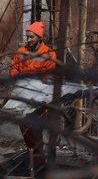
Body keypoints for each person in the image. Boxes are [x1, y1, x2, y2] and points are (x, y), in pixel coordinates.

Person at [9, 21, 57, 172]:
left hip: (39, 99)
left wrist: (31, 78)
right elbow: (13, 70)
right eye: (27, 37)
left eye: (31, 37)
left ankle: (38, 158)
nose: (28, 40)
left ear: (39, 37)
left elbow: (49, 77)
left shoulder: (49, 54)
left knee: (35, 130)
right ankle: (34, 156)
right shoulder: (21, 52)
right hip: (23, 96)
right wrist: (20, 77)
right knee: (24, 127)